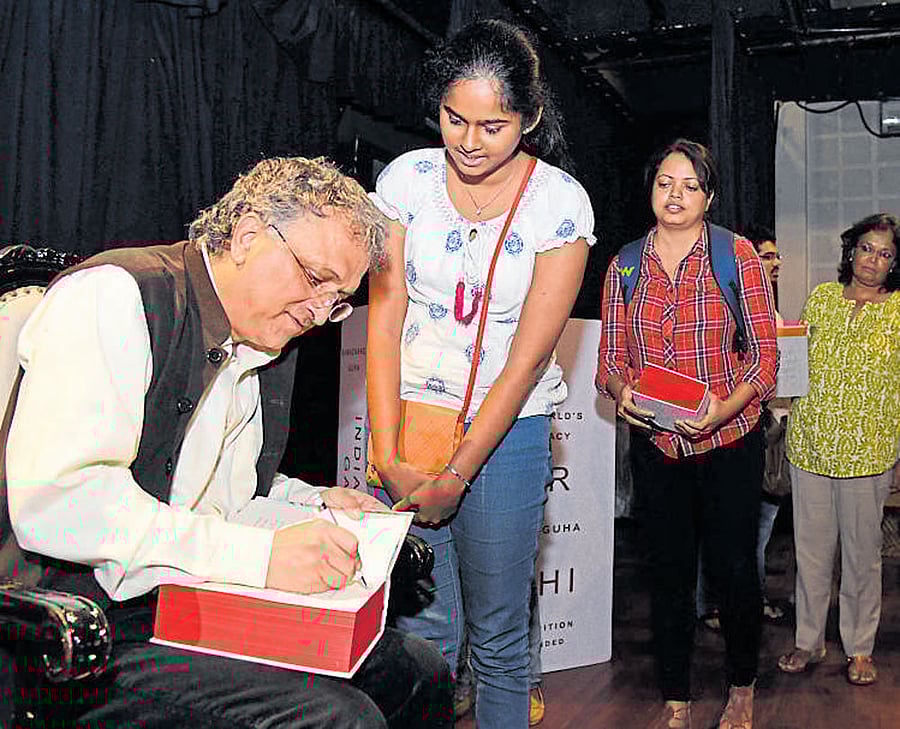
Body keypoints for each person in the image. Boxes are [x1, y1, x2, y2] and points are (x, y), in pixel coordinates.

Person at [3, 156, 452, 728]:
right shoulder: (114, 296)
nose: (318, 314)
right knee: (341, 719)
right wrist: (262, 557)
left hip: (187, 603)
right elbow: (62, 507)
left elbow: (216, 494)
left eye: (337, 299)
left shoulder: (263, 343)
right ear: (246, 235)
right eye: (316, 280)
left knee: (418, 669)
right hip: (88, 631)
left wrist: (309, 501)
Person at [365, 18, 594, 729]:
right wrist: (386, 454)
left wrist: (459, 471)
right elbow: (386, 309)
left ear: (527, 117)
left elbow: (527, 360)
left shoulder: (559, 203)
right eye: (453, 118)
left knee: (496, 640)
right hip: (409, 424)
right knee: (418, 636)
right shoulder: (405, 180)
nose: (468, 141)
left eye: (492, 125)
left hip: (506, 436)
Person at [596, 139, 778, 729]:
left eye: (689, 186)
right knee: (668, 572)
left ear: (709, 197)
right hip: (659, 445)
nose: (675, 195)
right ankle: (676, 694)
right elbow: (610, 358)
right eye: (664, 183)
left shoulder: (737, 255)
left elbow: (766, 355)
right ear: (650, 189)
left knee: (733, 570)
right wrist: (622, 396)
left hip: (730, 440)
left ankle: (743, 686)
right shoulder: (624, 263)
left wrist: (724, 409)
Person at [777, 213, 900, 687]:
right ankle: (808, 640)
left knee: (863, 554)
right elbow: (796, 362)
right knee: (810, 551)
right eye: (867, 248)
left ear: (895, 263)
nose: (873, 260)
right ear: (851, 251)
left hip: (869, 451)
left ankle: (860, 647)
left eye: (885, 253)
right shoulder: (823, 299)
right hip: (811, 445)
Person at [697, 225, 787, 629]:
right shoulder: (723, 304)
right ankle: (714, 605)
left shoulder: (774, 313)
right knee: (715, 529)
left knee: (758, 529)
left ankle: (750, 603)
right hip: (724, 429)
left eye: (775, 257)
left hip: (769, 431)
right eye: (766, 256)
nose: (776, 263)